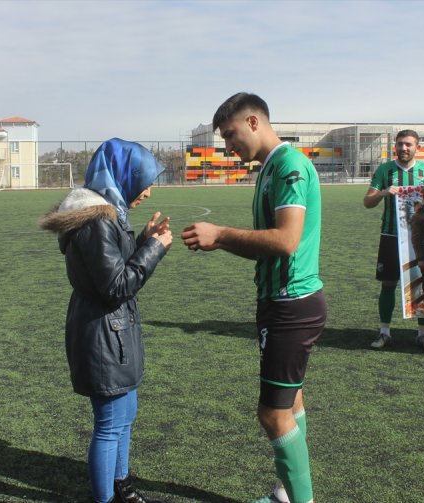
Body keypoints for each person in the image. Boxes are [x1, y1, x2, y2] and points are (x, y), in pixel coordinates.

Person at [181, 92, 325, 503]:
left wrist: (220, 235)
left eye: (230, 135)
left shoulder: (289, 166)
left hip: (291, 305)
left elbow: (285, 241)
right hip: (282, 302)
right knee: (291, 399)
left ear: (254, 123)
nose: (228, 146)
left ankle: (301, 500)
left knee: (272, 414)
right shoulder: (269, 168)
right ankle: (289, 491)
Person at [40, 138, 171, 503]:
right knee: (110, 423)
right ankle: (107, 498)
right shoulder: (97, 219)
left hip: (112, 330)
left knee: (125, 413)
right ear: (122, 175)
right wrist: (153, 250)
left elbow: (111, 266)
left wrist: (143, 239)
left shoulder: (106, 213)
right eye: (143, 179)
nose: (147, 191)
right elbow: (114, 285)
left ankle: (122, 489)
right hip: (103, 332)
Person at [364, 129, 424, 351]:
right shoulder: (385, 170)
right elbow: (367, 202)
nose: (403, 148)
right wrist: (384, 193)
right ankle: (385, 332)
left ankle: (423, 334)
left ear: (417, 147)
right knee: (388, 285)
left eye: (408, 144)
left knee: (423, 286)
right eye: (400, 144)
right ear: (395, 146)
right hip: (391, 236)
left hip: (421, 239)